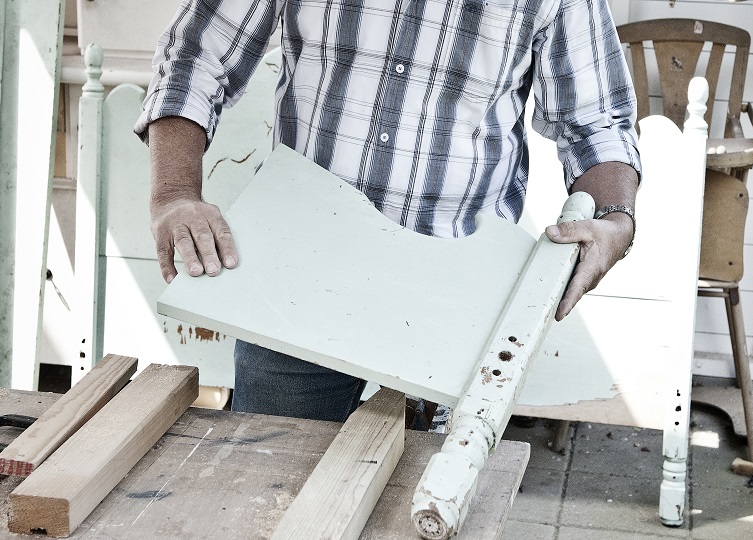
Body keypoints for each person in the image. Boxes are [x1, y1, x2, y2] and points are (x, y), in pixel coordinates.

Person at [135, 0, 640, 423]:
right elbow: (198, 54)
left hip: (453, 298)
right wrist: (175, 192)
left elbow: (597, 122)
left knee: (419, 510)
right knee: (268, 487)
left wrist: (616, 219)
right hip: (298, 284)